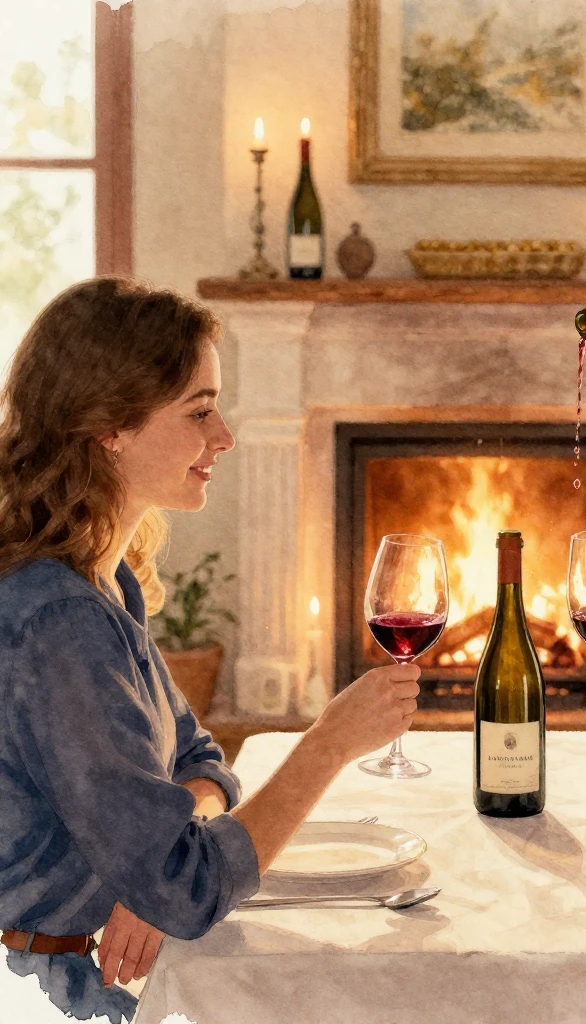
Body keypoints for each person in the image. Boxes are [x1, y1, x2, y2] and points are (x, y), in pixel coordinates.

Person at [0, 277, 420, 1023]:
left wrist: (160, 855)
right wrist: (328, 744)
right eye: (199, 411)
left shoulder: (105, 581)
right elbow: (187, 889)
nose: (223, 436)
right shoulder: (59, 622)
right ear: (110, 428)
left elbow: (200, 756)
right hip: (43, 995)